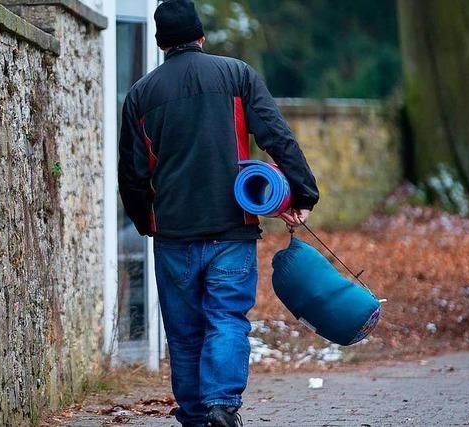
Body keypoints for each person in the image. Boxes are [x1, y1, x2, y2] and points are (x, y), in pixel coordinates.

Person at [117, 1, 319, 425]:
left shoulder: (140, 95)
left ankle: (195, 416)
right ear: (200, 35)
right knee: (227, 318)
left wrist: (146, 223)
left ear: (160, 43)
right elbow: (276, 136)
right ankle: (222, 407)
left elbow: (132, 177)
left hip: (173, 234)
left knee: (185, 332)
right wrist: (302, 193)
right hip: (232, 228)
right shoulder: (236, 75)